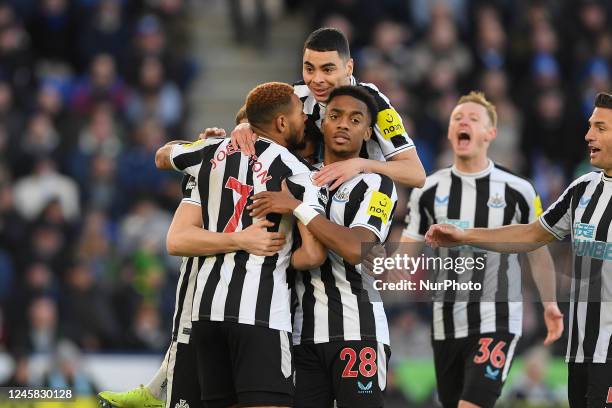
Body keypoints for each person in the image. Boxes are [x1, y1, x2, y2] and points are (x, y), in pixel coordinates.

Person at [97, 102, 305, 408]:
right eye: (246, 135)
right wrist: (241, 239)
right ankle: (161, 386)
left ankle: (159, 387)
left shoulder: (289, 172)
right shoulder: (210, 168)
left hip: (269, 316)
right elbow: (177, 239)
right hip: (207, 314)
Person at [424, 91, 612, 408]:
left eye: (601, 128)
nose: (588, 135)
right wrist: (465, 235)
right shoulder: (583, 189)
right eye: (590, 126)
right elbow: (531, 234)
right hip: (580, 351)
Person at [399, 91, 563, 408]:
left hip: (498, 317)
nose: (464, 122)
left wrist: (550, 304)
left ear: (490, 133)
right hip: (444, 321)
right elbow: (405, 254)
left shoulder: (519, 189)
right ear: (449, 131)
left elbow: (538, 250)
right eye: (457, 118)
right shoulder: (428, 190)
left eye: (474, 118)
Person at [248, 85, 397, 407]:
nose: (344, 124)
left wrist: (299, 208)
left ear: (368, 132)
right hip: (300, 335)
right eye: (335, 116)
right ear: (322, 123)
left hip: (357, 332)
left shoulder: (376, 183)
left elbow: (358, 247)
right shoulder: (297, 175)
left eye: (355, 120)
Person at [157, 27, 425, 189]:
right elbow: (253, 112)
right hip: (306, 205)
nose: (317, 79)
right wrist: (243, 125)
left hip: (356, 210)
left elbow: (415, 174)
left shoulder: (373, 103)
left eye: (328, 69)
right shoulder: (298, 93)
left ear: (349, 68)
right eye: (309, 68)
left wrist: (359, 164)